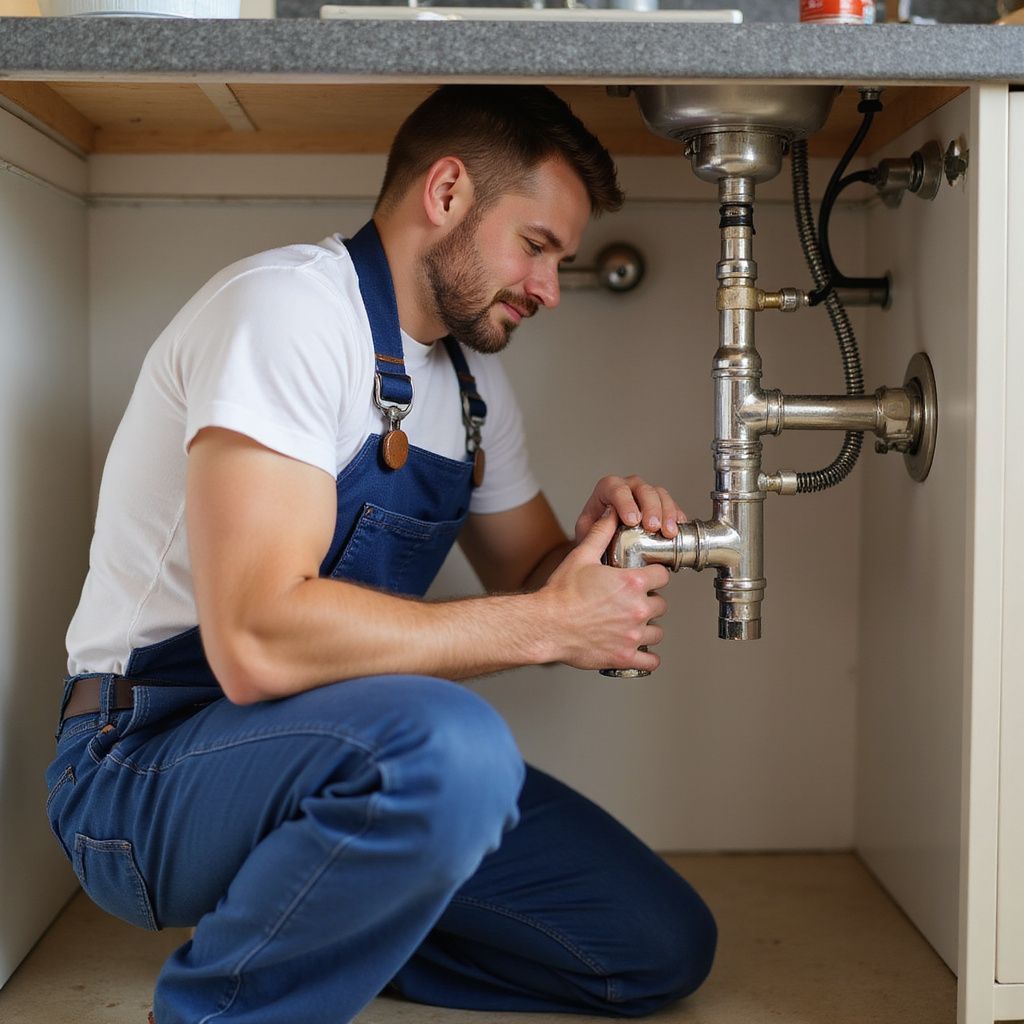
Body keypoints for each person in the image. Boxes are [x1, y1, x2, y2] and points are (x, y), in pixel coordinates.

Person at [45, 85, 716, 1024]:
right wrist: (546, 624)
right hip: (144, 769)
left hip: (344, 768)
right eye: (536, 246)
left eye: (560, 261)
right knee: (455, 742)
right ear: (446, 192)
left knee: (653, 944)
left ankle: (316, 928)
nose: (549, 289)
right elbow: (257, 642)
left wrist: (598, 554)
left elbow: (531, 580)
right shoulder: (286, 313)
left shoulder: (473, 386)